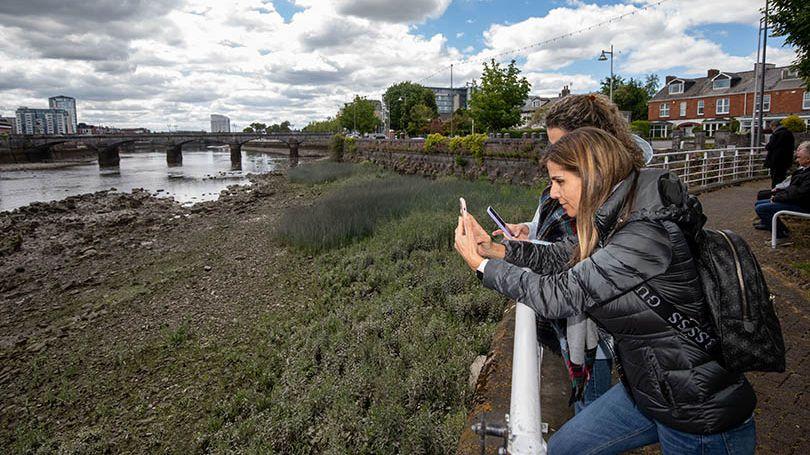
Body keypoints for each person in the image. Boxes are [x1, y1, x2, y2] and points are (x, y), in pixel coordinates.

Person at [455, 127, 756, 454]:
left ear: (593, 175)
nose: (552, 194)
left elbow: (560, 295)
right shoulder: (615, 215)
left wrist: (480, 267)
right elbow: (562, 255)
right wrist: (494, 251)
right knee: (563, 448)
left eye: (559, 182)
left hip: (697, 412)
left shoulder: (644, 233)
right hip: (648, 388)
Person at [493, 93, 649, 412]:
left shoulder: (620, 212)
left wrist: (488, 262)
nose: (556, 154)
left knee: (590, 408)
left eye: (561, 145)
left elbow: (573, 264)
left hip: (594, 335)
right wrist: (528, 230)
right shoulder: (590, 190)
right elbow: (563, 239)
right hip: (578, 327)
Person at [754, 140, 810, 243]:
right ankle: (782, 230)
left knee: (761, 208)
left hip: (803, 205)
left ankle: (781, 236)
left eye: (799, 157)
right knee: (759, 203)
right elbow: (794, 190)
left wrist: (776, 198)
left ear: (808, 159)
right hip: (799, 201)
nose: (797, 160)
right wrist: (778, 195)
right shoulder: (804, 171)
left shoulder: (806, 173)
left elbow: (799, 193)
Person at [764, 119, 795, 189]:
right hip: (786, 160)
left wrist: (766, 146)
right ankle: (781, 190)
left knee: (775, 178)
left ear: (774, 126)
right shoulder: (789, 133)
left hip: (776, 160)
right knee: (782, 176)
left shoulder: (777, 134)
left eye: (771, 127)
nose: (771, 129)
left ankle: (775, 192)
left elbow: (770, 146)